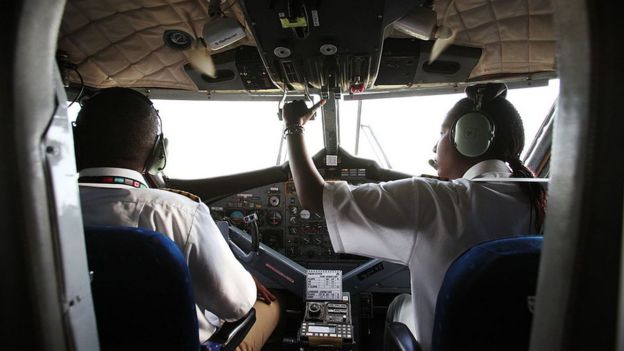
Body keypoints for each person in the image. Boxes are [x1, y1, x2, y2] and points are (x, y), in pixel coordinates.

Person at [283, 83, 546, 351]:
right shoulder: (546, 199)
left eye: (442, 133)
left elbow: (315, 197)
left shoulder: (434, 200)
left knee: (399, 305)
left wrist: (294, 126)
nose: (435, 146)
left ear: (469, 136)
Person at [74, 87, 279, 351]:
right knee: (272, 305)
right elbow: (236, 305)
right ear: (158, 153)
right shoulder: (180, 212)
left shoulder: (37, 215)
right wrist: (247, 280)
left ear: (74, 143)